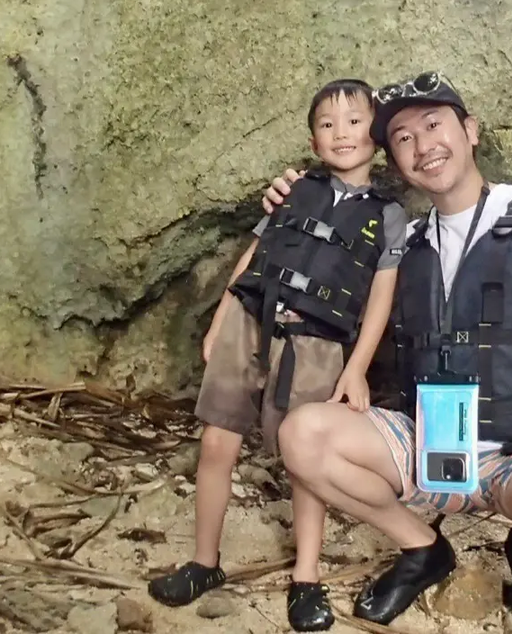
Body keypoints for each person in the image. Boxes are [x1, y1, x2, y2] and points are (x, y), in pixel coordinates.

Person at [259, 72, 512, 632]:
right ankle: (422, 547)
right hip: (429, 443)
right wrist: (291, 204)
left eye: (435, 125)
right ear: (395, 159)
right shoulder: (404, 240)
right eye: (404, 138)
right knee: (302, 436)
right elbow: (321, 260)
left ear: (470, 130)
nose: (423, 145)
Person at [148, 79, 408, 631]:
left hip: (319, 343)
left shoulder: (388, 216)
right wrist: (220, 319)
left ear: (377, 135)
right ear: (313, 141)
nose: (341, 133)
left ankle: (306, 577)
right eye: (327, 125)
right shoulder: (294, 190)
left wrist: (357, 368)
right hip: (250, 321)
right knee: (216, 442)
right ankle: (204, 562)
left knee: (302, 462)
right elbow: (256, 254)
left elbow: (380, 299)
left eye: (355, 121)